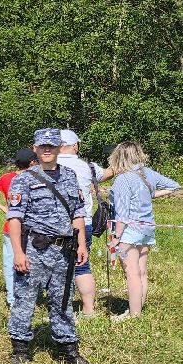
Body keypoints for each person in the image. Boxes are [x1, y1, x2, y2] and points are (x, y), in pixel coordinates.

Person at [7, 129, 97, 364]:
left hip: (64, 250)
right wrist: (18, 252)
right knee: (25, 299)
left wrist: (80, 245)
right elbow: (14, 218)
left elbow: (77, 211)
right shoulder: (23, 179)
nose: (47, 150)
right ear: (35, 148)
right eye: (43, 145)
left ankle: (69, 351)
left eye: (52, 146)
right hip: (35, 248)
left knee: (63, 299)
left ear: (59, 148)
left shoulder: (69, 176)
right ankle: (20, 349)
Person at [107, 141, 181, 322]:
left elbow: (122, 215)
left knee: (132, 273)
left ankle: (134, 315)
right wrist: (151, 194)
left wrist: (115, 237)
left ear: (118, 156)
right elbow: (174, 185)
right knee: (141, 272)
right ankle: (138, 309)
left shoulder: (123, 179)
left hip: (129, 232)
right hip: (148, 228)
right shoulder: (148, 173)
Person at [56, 130, 109, 319]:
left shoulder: (48, 165)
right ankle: (88, 310)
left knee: (57, 267)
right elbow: (108, 173)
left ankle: (60, 310)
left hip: (55, 224)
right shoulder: (89, 167)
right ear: (75, 145)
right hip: (83, 222)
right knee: (82, 266)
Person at [0, 149, 34, 308]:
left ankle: (12, 298)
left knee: (10, 262)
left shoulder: (7, 177)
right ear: (32, 163)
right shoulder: (34, 179)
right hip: (31, 229)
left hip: (10, 227)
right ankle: (26, 296)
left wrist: (3, 207)